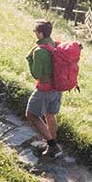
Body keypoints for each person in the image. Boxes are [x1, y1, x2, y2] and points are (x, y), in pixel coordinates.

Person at [25, 20, 63, 156]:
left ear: (40, 34)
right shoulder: (56, 45)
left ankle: (53, 146)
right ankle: (51, 145)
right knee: (50, 115)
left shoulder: (40, 52)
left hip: (44, 90)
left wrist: (29, 60)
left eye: (35, 31)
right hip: (57, 89)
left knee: (31, 114)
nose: (35, 34)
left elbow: (36, 74)